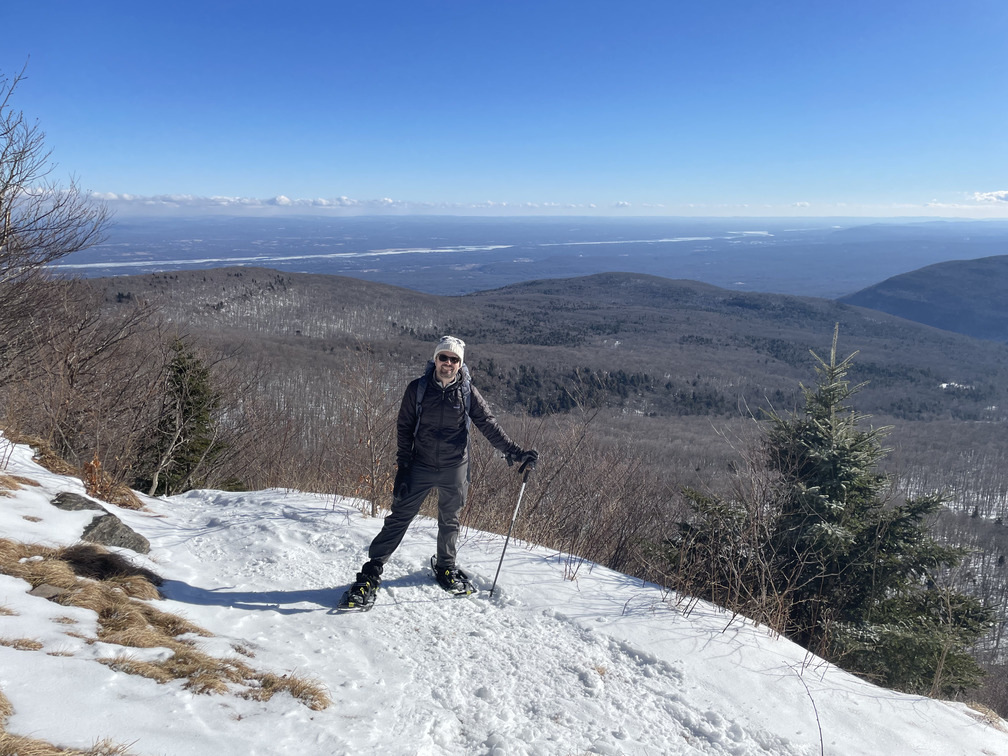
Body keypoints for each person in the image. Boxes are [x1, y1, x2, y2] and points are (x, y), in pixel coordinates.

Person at [343, 335, 537, 607]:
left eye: (454, 359)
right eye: (443, 357)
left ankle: (446, 565)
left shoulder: (468, 392)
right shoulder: (418, 389)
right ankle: (372, 569)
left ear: (460, 364)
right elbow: (404, 428)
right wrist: (403, 465)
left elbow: (488, 424)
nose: (448, 363)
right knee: (399, 517)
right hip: (420, 465)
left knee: (450, 520)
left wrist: (516, 451)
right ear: (435, 359)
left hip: (454, 466)